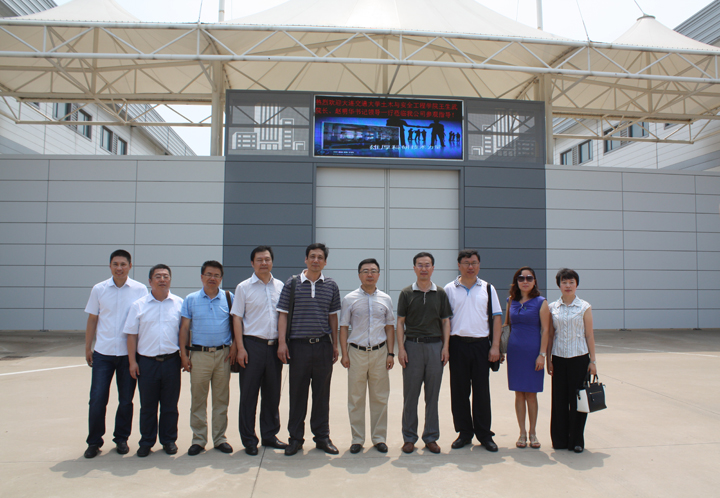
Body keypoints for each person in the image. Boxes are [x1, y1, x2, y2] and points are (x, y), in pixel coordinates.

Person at [276, 243, 341, 456]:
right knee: (297, 395)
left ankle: (322, 437)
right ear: (306, 259)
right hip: (298, 347)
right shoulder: (292, 283)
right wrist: (282, 343)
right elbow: (283, 314)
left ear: (325, 262)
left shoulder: (331, 285)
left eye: (320, 257)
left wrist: (335, 344)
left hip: (323, 346)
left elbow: (333, 316)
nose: (315, 260)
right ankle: (295, 439)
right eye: (312, 256)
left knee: (322, 395)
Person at [83, 249, 148, 458]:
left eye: (123, 264)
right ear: (110, 266)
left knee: (126, 400)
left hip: (128, 355)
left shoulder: (140, 290)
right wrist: (88, 347)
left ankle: (121, 438)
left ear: (130, 266)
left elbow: (144, 321)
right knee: (97, 399)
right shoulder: (99, 289)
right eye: (115, 264)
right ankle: (94, 441)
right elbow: (93, 319)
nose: (119, 268)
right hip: (103, 353)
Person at [231, 246, 288, 456]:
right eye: (259, 259)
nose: (264, 263)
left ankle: (269, 435)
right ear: (252, 263)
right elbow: (237, 318)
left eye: (267, 259)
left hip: (274, 348)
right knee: (249, 395)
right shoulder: (243, 287)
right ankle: (249, 439)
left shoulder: (280, 286)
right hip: (251, 346)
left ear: (272, 261)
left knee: (272, 394)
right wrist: (240, 348)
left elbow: (284, 316)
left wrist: (282, 343)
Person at [444, 249, 502, 452]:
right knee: (459, 392)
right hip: (457, 345)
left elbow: (496, 317)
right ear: (459, 265)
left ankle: (484, 434)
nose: (471, 267)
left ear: (479, 265)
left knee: (481, 392)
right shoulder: (449, 289)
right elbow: (445, 321)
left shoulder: (488, 288)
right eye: (467, 263)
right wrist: (446, 347)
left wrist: (495, 346)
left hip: (481, 346)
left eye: (474, 263)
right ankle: (464, 433)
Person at [124, 264, 183, 457]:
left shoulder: (179, 304)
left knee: (170, 406)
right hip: (147, 363)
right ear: (150, 281)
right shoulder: (139, 305)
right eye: (158, 276)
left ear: (170, 280)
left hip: (171, 361)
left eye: (166, 276)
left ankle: (169, 440)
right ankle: (147, 441)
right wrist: (132, 362)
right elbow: (131, 335)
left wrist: (185, 357)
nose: (162, 279)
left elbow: (184, 333)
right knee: (148, 406)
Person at [397, 252, 452, 454]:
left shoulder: (440, 293)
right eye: (420, 265)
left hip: (435, 347)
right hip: (412, 347)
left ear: (433, 268)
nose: (423, 269)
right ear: (414, 268)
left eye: (427, 265)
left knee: (432, 395)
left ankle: (431, 437)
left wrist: (445, 347)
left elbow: (446, 322)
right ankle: (409, 437)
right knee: (410, 396)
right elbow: (400, 322)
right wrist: (401, 349)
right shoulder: (406, 293)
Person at [339, 258, 395, 454]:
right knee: (356, 398)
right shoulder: (349, 299)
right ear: (359, 275)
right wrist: (344, 354)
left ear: (378, 274)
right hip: (356, 353)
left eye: (373, 271)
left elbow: (390, 327)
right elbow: (343, 327)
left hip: (380, 353)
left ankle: (379, 438)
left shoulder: (386, 299)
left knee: (380, 397)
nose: (369, 274)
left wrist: (390, 353)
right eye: (365, 271)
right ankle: (357, 439)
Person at [179, 261, 235, 456]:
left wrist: (235, 348)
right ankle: (199, 439)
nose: (213, 278)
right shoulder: (191, 299)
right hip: (199, 355)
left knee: (221, 399)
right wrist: (183, 354)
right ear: (202, 276)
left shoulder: (229, 298)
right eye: (209, 274)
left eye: (217, 275)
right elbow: (184, 328)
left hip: (223, 355)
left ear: (221, 278)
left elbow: (236, 324)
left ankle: (220, 439)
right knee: (198, 400)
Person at [547, 268, 597, 453]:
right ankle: (559, 440)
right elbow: (550, 335)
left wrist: (593, 361)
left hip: (579, 359)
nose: (568, 286)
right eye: (564, 282)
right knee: (559, 401)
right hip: (559, 359)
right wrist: (548, 359)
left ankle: (576, 440)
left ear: (576, 285)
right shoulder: (552, 307)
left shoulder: (584, 307)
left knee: (578, 401)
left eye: (571, 282)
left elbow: (589, 335)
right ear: (559, 285)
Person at [505, 267, 550, 449]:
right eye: (521, 278)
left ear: (534, 281)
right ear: (516, 281)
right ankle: (522, 433)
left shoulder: (541, 302)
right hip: (515, 352)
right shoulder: (511, 301)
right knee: (519, 393)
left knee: (531, 394)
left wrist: (542, 355)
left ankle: (533, 433)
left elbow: (546, 330)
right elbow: (506, 326)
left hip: (533, 352)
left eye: (529, 278)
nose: (525, 281)